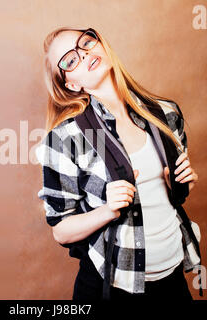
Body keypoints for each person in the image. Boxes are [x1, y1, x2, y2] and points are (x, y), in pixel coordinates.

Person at [35, 26, 202, 301]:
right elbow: (61, 231)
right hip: (112, 287)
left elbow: (170, 198)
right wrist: (108, 210)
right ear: (71, 84)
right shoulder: (65, 139)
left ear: (101, 45)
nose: (84, 53)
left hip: (173, 279)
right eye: (70, 60)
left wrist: (182, 183)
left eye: (86, 42)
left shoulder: (167, 113)